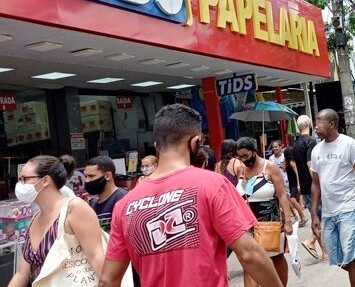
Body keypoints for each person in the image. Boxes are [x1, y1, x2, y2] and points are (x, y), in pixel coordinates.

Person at [99, 104, 282, 287]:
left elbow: (108, 279)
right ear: (195, 142)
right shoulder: (212, 185)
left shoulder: (125, 204)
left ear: (156, 145)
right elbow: (250, 254)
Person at [9, 155, 105, 286]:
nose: (20, 185)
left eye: (24, 179)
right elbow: (22, 274)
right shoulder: (34, 220)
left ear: (45, 180)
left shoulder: (74, 209)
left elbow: (98, 259)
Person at [311, 109, 355, 287]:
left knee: (351, 255)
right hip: (328, 212)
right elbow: (316, 184)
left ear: (332, 124)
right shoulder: (316, 150)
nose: (315, 126)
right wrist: (314, 214)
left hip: (350, 208)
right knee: (336, 257)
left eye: (319, 122)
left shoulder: (349, 144)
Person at [236, 137, 294, 287]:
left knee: (276, 257)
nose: (243, 160)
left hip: (270, 221)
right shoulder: (242, 169)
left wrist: (288, 221)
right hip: (248, 224)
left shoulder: (270, 167)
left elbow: (282, 195)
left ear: (253, 151)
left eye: (246, 156)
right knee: (250, 261)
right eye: (240, 157)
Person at [292, 114, 328, 261]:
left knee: (316, 217)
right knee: (321, 218)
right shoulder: (311, 141)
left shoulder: (295, 144)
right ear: (309, 125)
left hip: (305, 187)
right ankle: (311, 241)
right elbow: (309, 165)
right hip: (313, 186)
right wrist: (317, 184)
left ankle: (325, 252)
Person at [85, 155, 128, 232]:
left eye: (91, 176)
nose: (87, 181)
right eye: (86, 176)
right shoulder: (93, 203)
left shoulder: (123, 199)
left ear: (108, 175)